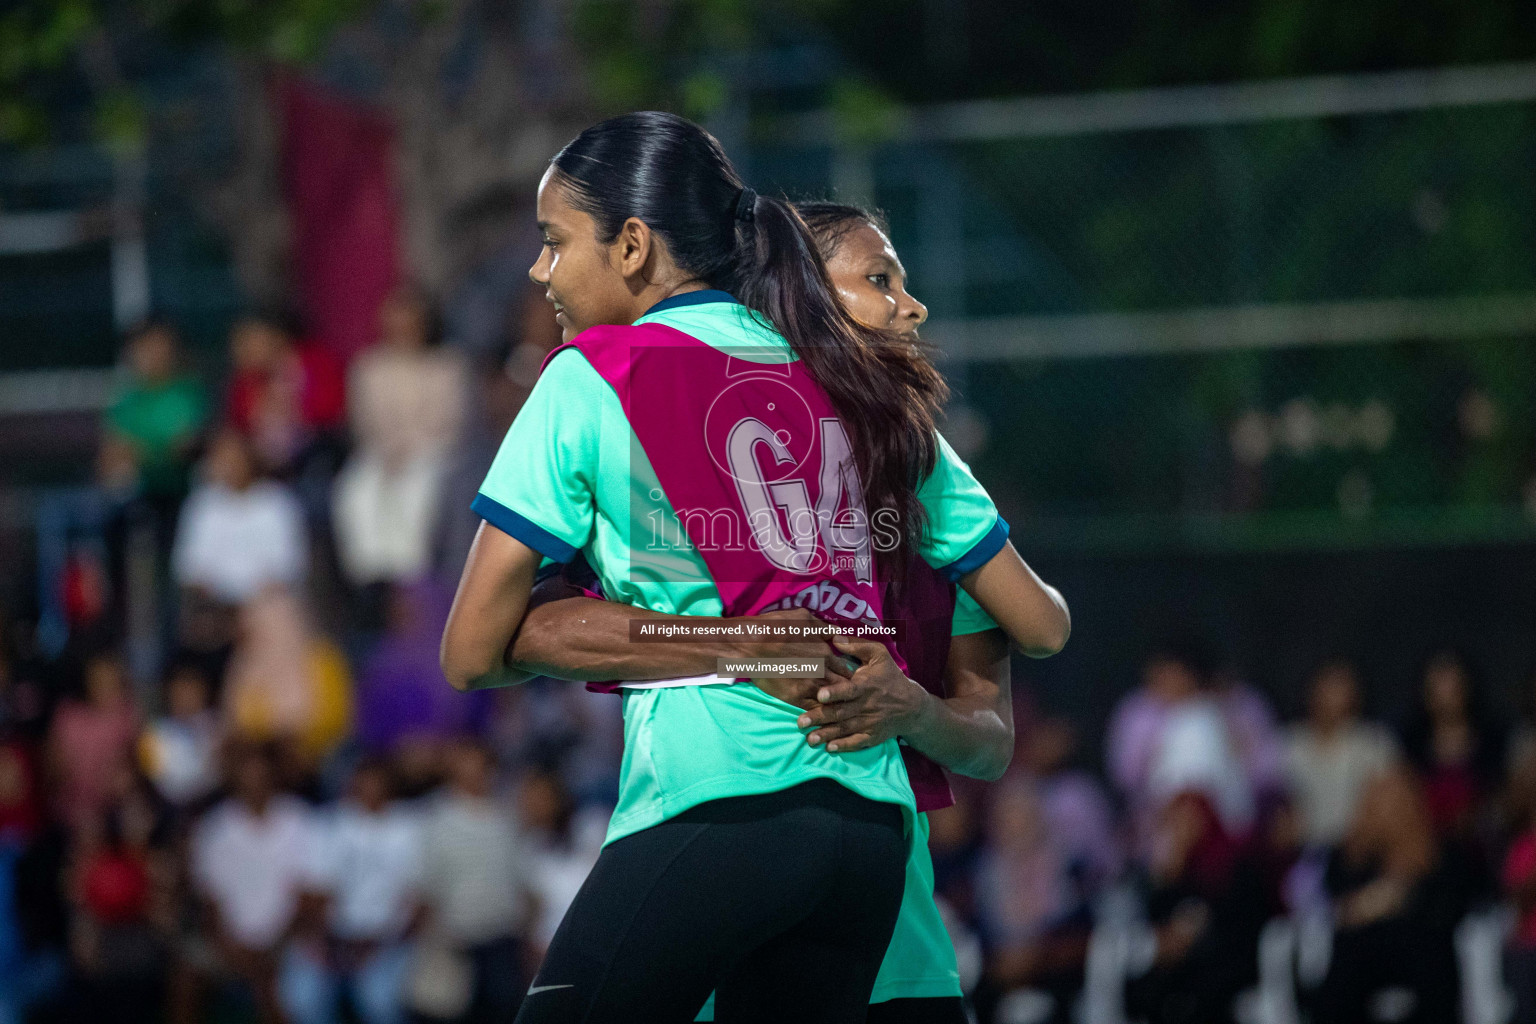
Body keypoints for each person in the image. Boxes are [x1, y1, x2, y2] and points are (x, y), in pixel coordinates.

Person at [440, 112, 1069, 1023]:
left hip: (722, 798)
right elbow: (1036, 633)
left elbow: (471, 651)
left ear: (630, 246)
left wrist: (732, 647)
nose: (541, 272)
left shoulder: (594, 372)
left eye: (553, 242)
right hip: (871, 831)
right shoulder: (858, 382)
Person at [332, 286, 468, 589]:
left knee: (418, 490)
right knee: (356, 490)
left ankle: (411, 578)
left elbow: (450, 421)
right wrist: (388, 449)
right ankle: (372, 578)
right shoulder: (369, 367)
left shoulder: (446, 365)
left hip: (432, 451)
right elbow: (365, 420)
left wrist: (412, 447)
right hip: (381, 452)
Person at [280, 759, 424, 1024]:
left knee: (379, 1001)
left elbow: (417, 902)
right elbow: (314, 894)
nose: (369, 789)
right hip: (335, 937)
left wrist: (380, 943)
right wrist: (327, 944)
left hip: (387, 940)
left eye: (377, 782)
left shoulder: (410, 828)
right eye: (363, 781)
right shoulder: (331, 824)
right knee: (303, 997)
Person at [1283, 658, 1397, 849]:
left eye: (1342, 686)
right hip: (1301, 850)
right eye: (1328, 685)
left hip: (1361, 850)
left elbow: (1391, 804)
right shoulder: (1288, 743)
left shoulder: (1374, 742)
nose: (1334, 695)